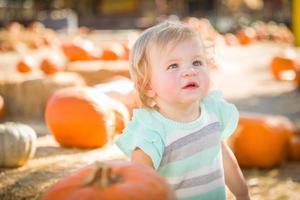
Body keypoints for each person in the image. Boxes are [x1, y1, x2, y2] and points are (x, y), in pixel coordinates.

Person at [115, 20, 250, 200]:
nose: (190, 71)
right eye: (173, 66)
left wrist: (243, 194)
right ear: (147, 85)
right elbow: (140, 184)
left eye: (196, 62)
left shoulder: (212, 111)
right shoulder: (152, 132)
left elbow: (223, 155)